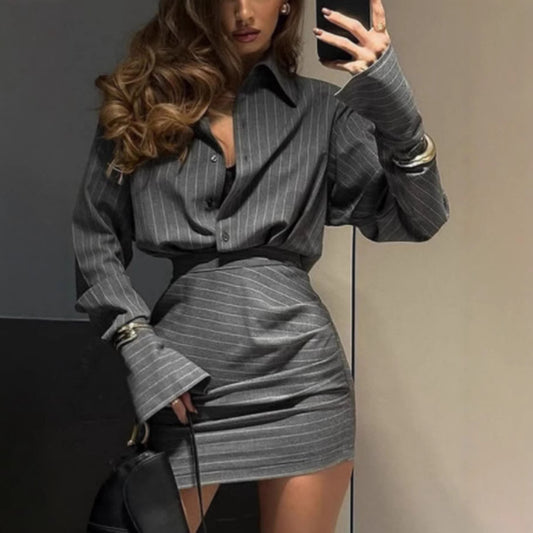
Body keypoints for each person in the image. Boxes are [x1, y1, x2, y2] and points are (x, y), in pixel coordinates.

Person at [71, 0, 449, 531]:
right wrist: (140, 348)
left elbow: (418, 219)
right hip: (186, 379)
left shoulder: (322, 111)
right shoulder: (141, 107)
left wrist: (394, 105)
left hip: (303, 383)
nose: (243, 11)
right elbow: (95, 240)